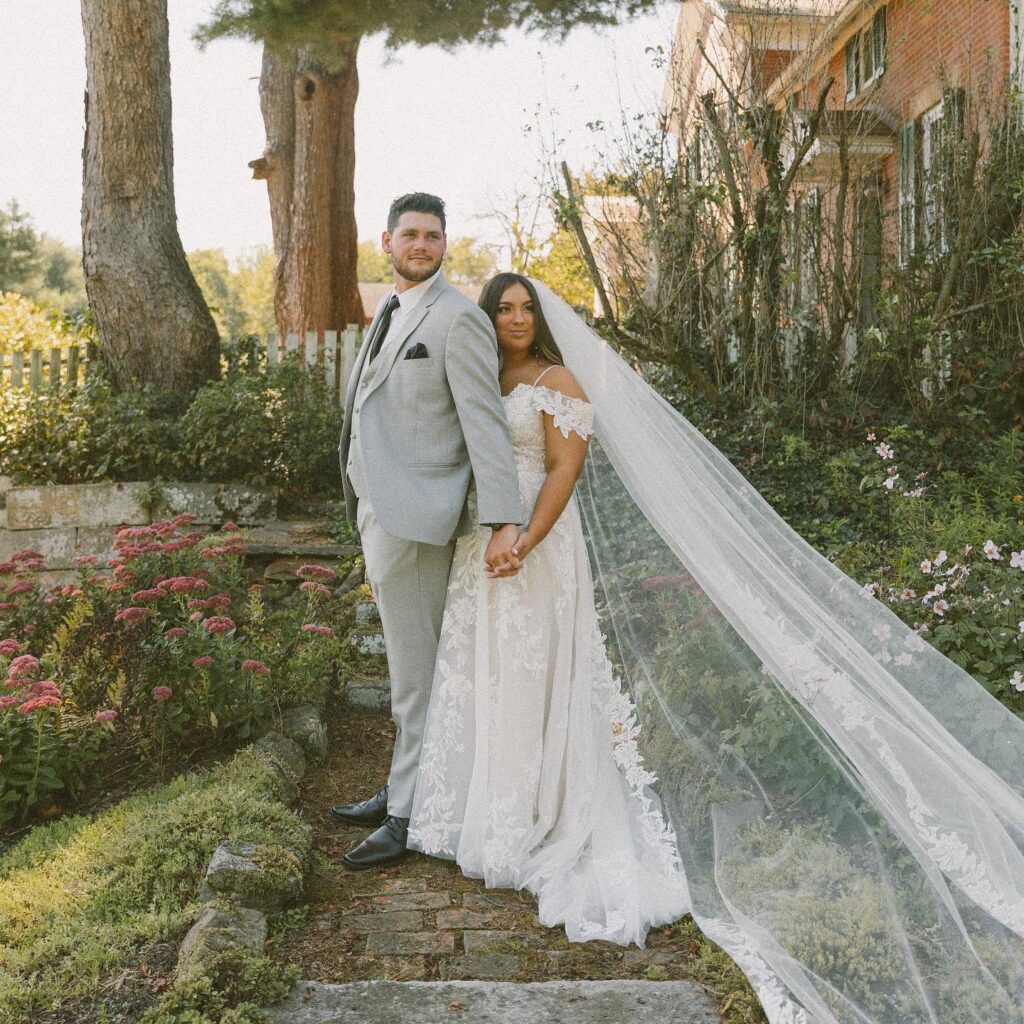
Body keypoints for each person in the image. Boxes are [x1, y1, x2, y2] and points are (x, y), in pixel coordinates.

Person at [407, 273, 690, 946]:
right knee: (487, 669)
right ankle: (483, 811)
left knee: (533, 672)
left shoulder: (555, 380)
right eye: (503, 309)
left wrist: (525, 540)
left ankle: (539, 814)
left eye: (526, 308)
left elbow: (564, 468)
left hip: (538, 540)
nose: (516, 318)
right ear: (486, 317)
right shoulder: (481, 378)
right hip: (480, 542)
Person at [332, 194, 523, 870]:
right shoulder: (389, 308)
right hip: (377, 513)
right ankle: (400, 784)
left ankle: (409, 816)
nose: (421, 245)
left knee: (416, 676)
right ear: (386, 240)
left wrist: (504, 520)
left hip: (418, 518)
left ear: (446, 242)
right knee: (406, 667)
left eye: (432, 235)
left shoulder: (458, 319)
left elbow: (485, 427)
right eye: (410, 234)